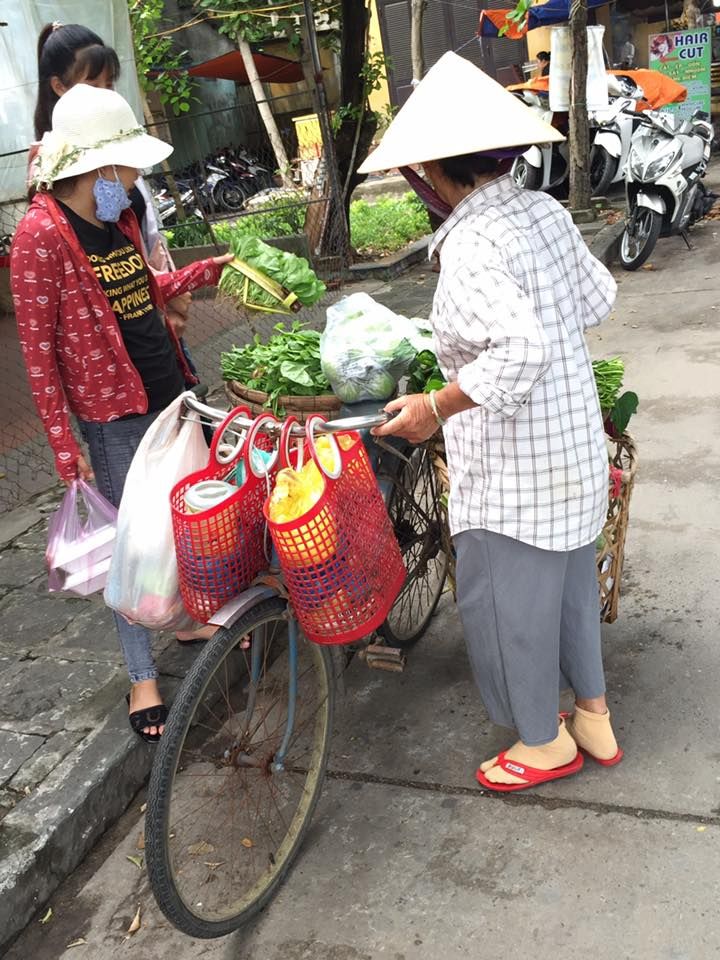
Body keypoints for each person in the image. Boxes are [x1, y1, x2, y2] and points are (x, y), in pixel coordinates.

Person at [362, 52, 623, 792]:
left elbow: (520, 351)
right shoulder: (540, 209)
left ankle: (544, 744)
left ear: (435, 172)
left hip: (515, 473)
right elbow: (596, 299)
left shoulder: (471, 244)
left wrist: (433, 407)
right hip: (571, 444)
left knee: (510, 612)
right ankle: (593, 717)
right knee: (572, 587)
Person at [10, 84, 233, 742]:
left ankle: (187, 617)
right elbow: (37, 354)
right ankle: (142, 675)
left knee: (183, 517)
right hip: (111, 416)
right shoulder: (40, 238)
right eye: (129, 166)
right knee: (128, 546)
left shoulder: (121, 215)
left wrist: (200, 274)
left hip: (169, 388)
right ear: (98, 168)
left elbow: (140, 290)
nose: (136, 178)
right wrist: (61, 446)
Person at [31, 22, 193, 356]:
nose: (106, 95)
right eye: (92, 84)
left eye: (110, 84)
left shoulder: (116, 148)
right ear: (59, 87)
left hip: (152, 306)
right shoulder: (52, 166)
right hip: (124, 330)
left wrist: (170, 290)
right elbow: (99, 260)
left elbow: (145, 230)